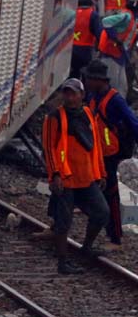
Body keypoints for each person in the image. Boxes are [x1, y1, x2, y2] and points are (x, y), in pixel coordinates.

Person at [42, 78, 109, 274]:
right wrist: (55, 175)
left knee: (101, 212)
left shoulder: (88, 114)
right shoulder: (54, 118)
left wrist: (101, 172)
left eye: (73, 93)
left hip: (87, 177)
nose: (70, 97)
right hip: (66, 179)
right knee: (63, 221)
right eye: (67, 93)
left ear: (82, 95)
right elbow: (49, 149)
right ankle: (63, 262)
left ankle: (86, 247)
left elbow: (95, 145)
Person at [84, 60, 138, 250]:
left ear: (99, 80)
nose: (87, 81)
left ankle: (115, 239)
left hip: (109, 155)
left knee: (111, 193)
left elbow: (133, 123)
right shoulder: (92, 96)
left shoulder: (115, 100)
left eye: (90, 78)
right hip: (93, 152)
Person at [98, 11, 136, 95]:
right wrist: (115, 38)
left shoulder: (134, 20)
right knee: (112, 87)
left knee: (122, 87)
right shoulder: (127, 17)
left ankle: (120, 106)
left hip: (120, 57)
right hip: (110, 55)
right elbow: (106, 21)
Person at [71, 0, 101, 79]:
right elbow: (98, 33)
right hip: (85, 50)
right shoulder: (93, 15)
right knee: (86, 75)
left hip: (71, 50)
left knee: (73, 75)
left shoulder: (72, 12)